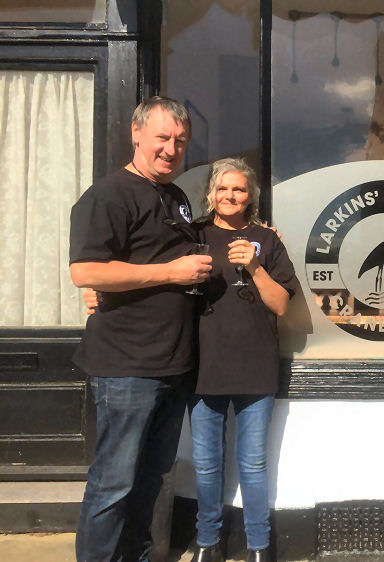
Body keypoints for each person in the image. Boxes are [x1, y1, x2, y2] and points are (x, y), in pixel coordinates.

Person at [69, 96, 212, 561]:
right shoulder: (109, 194)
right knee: (113, 483)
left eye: (180, 141)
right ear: (136, 134)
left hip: (173, 364)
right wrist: (170, 273)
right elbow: (86, 271)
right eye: (162, 137)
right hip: (127, 365)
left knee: (153, 480)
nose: (171, 149)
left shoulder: (175, 197)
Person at [188, 158, 298, 562]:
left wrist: (253, 266)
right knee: (206, 464)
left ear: (250, 196)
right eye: (222, 188)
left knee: (252, 464)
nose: (230, 195)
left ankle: (258, 545)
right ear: (211, 193)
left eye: (238, 189)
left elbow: (281, 305)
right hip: (203, 365)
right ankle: (207, 542)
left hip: (255, 365)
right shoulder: (194, 235)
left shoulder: (266, 240)